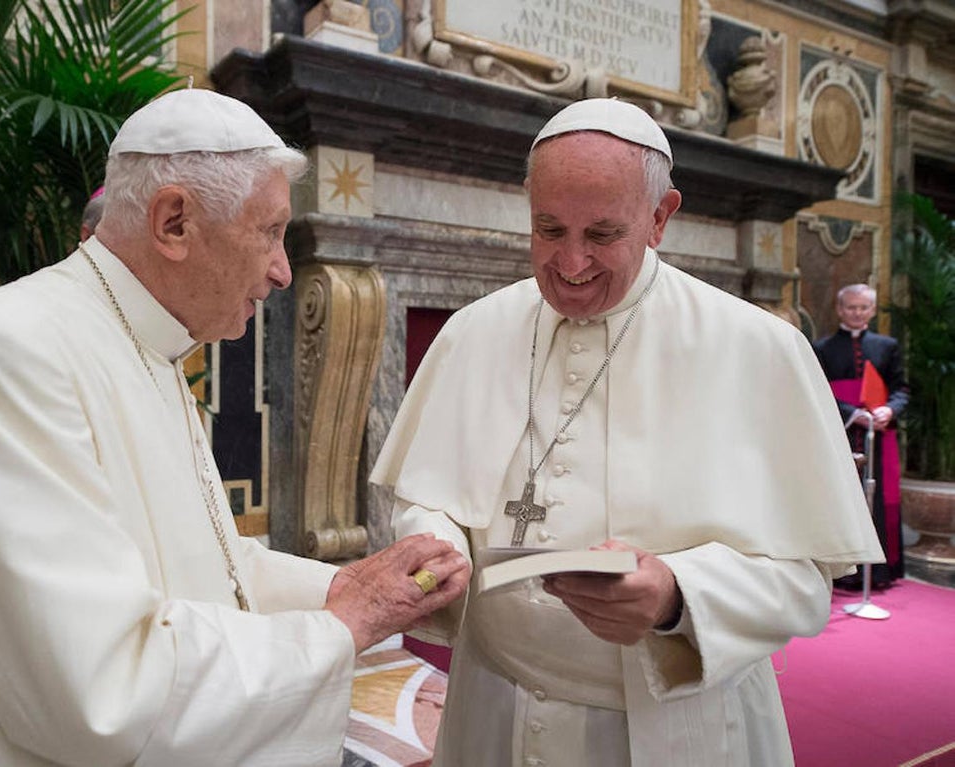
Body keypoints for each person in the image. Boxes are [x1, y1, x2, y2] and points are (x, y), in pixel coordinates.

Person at [0, 88, 470, 767]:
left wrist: (337, 588)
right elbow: (97, 689)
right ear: (174, 222)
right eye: (271, 230)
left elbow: (204, 567)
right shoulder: (2, 351)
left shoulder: (152, 348)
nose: (282, 271)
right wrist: (345, 622)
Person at [370, 98, 884, 766]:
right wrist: (435, 541)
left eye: (603, 234)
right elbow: (427, 492)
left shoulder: (758, 349)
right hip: (491, 707)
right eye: (548, 228)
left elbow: (808, 581)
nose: (571, 261)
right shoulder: (475, 330)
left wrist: (675, 595)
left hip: (671, 731)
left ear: (661, 217)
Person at [814, 283, 909, 589]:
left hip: (879, 436)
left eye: (863, 307)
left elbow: (901, 389)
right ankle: (844, 572)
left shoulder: (887, 345)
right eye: (851, 307)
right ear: (840, 309)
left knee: (879, 500)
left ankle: (879, 573)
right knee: (841, 498)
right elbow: (818, 390)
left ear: (872, 310)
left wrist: (889, 411)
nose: (857, 313)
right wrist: (853, 414)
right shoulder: (822, 348)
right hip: (839, 432)